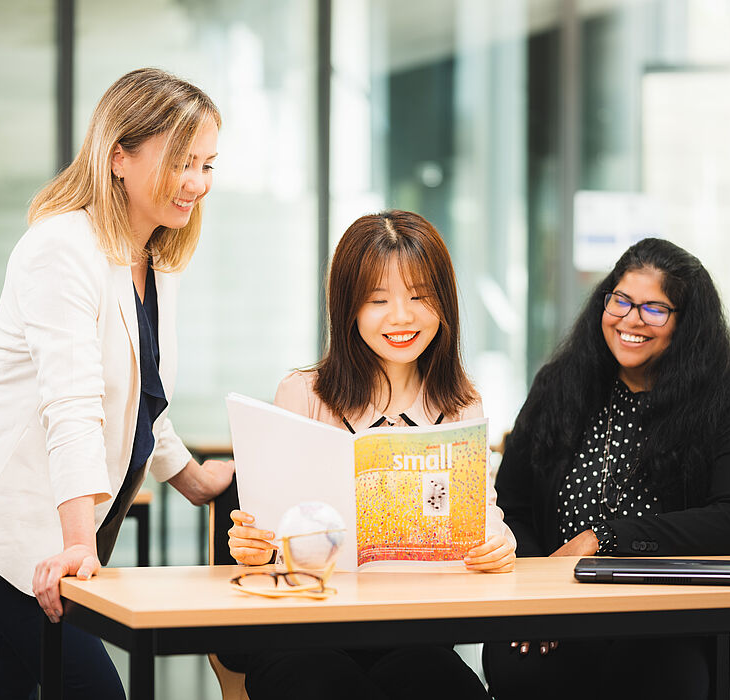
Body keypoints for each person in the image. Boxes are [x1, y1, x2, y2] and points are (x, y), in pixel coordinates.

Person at [0, 68, 235, 699]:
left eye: (207, 164)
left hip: (60, 519)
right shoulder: (62, 247)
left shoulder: (154, 259)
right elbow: (73, 401)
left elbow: (144, 400)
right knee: (94, 690)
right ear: (119, 155)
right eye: (181, 161)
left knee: (1, 678)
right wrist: (75, 544)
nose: (196, 183)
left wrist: (194, 479)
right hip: (0, 510)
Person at [220, 210, 516, 700]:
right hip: (307, 634)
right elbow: (268, 536)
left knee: (445, 686)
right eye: (378, 300)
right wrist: (255, 545)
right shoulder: (303, 393)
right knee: (323, 684)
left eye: (420, 296)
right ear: (348, 308)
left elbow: (482, 516)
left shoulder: (461, 404)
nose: (401, 317)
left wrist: (498, 542)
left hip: (415, 634)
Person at [483, 237, 730, 699]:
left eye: (654, 309)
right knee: (517, 666)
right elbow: (511, 507)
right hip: (561, 608)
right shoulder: (558, 387)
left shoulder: (725, 401)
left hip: (679, 617)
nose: (630, 319)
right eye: (620, 300)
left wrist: (605, 540)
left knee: (650, 674)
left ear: (687, 325)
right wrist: (539, 592)